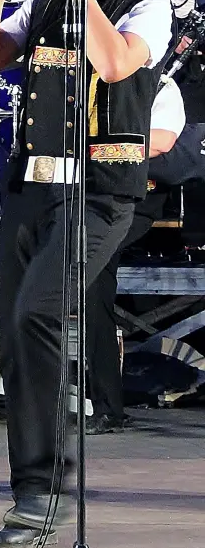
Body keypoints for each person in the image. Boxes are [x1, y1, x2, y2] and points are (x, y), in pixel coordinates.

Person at [0, 0, 173, 548]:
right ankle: (32, 488)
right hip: (34, 189)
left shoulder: (149, 3)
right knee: (20, 333)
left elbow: (114, 65)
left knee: (36, 314)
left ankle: (45, 486)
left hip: (101, 192)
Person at [85, 75, 186, 435]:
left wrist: (95, 145)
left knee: (92, 277)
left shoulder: (160, 85)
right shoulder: (85, 82)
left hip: (135, 198)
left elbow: (162, 140)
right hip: (86, 194)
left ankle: (108, 406)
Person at [142, 0, 205, 245]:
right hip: (189, 67)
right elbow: (144, 15)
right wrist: (174, 40)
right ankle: (192, 235)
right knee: (191, 142)